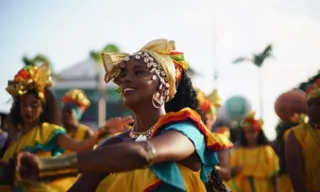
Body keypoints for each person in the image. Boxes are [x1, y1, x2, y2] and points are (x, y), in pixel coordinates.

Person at [16, 39, 227, 192]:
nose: (125, 79)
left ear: (163, 87)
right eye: (124, 73)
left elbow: (143, 153)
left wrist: (48, 165)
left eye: (138, 72)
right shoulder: (114, 144)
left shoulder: (186, 129)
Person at [0, 64, 130, 191]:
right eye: (24, 104)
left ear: (42, 108)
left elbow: (80, 147)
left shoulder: (49, 131)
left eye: (34, 105)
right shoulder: (13, 134)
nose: (28, 110)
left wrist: (104, 131)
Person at [228, 111, 279, 192]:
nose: (250, 135)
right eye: (247, 132)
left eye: (253, 132)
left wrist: (276, 189)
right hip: (244, 187)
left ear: (258, 133)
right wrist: (235, 170)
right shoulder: (238, 151)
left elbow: (274, 174)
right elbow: (230, 172)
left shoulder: (266, 150)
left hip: (263, 187)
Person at [285, 79, 320, 192]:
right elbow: (295, 173)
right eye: (309, 104)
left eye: (318, 104)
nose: (313, 108)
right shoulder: (296, 134)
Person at [196, 88, 233, 190]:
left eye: (206, 117)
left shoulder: (219, 140)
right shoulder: (190, 137)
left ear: (213, 118)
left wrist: (204, 166)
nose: (203, 120)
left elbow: (226, 173)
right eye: (199, 116)